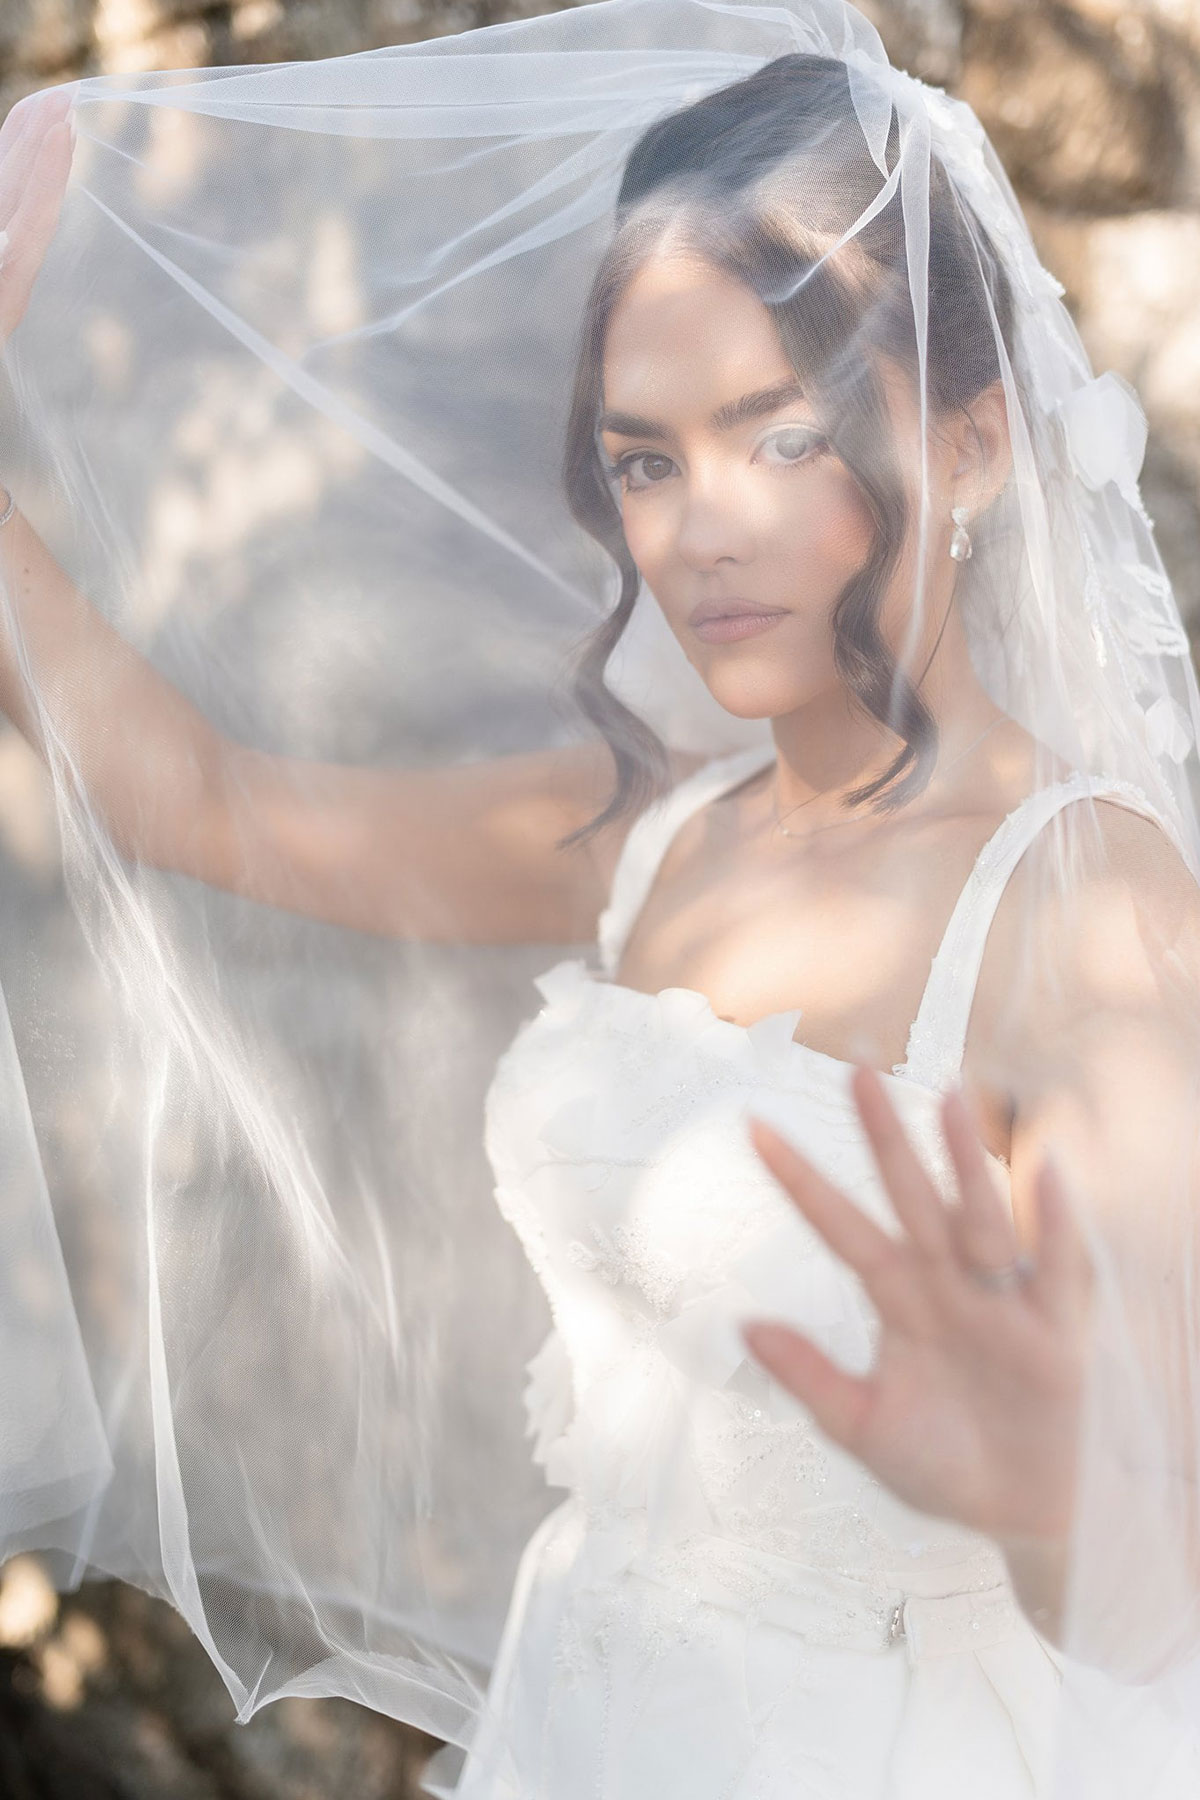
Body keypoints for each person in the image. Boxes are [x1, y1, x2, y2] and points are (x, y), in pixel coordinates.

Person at [0, 6, 1199, 1796]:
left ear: (971, 445)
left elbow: (1156, 1581)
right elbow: (196, 795)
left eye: (779, 434)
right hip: (584, 1713)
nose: (698, 527)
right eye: (644, 457)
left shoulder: (1089, 905)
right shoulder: (645, 826)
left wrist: (1047, 1503)